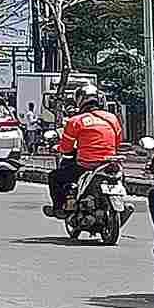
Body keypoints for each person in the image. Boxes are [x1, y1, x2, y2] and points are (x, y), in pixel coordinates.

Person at [45, 84, 123, 213]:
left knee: (54, 177)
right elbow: (118, 142)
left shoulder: (75, 121)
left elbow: (66, 149)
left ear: (80, 101)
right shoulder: (112, 118)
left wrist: (58, 148)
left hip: (86, 164)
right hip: (110, 162)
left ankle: (59, 209)